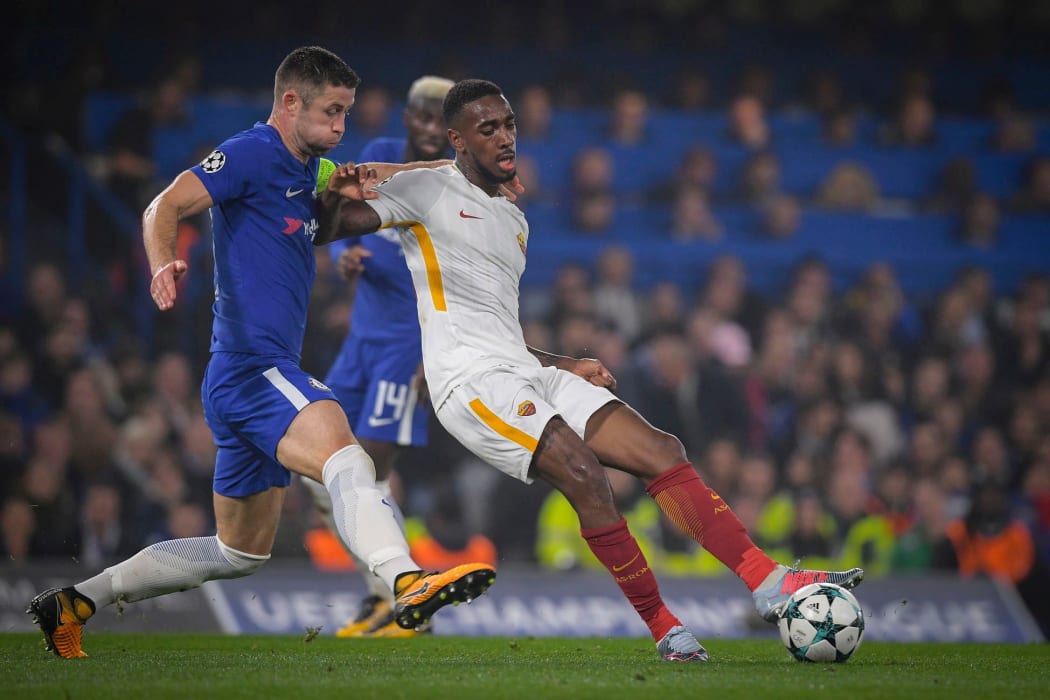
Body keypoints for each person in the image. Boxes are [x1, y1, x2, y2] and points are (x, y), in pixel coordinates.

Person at [316, 78, 864, 663]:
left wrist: (565, 363)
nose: (505, 138)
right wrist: (338, 190)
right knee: (586, 476)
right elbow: (328, 223)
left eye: (509, 125)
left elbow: (500, 332)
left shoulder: (513, 219)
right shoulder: (425, 188)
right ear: (457, 140)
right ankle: (665, 629)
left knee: (663, 450)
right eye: (488, 129)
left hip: (520, 369)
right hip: (469, 385)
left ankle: (768, 582)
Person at [26, 46, 495, 660]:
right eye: (332, 111)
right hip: (256, 370)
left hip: (241, 380)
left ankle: (74, 602)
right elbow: (163, 205)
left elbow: (370, 175)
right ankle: (406, 583)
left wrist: (459, 173)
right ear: (291, 102)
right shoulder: (250, 152)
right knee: (349, 461)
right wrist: (162, 259)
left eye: (347, 114)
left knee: (237, 553)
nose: (339, 127)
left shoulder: (307, 166)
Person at [296, 75, 459, 639]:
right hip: (360, 342)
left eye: (445, 119)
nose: (434, 129)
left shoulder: (452, 185)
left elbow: (456, 283)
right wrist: (347, 251)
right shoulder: (381, 158)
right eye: (425, 116)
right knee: (326, 473)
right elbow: (340, 213)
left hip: (405, 348)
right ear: (409, 118)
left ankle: (406, 601)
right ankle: (382, 594)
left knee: (369, 473)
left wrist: (432, 358)